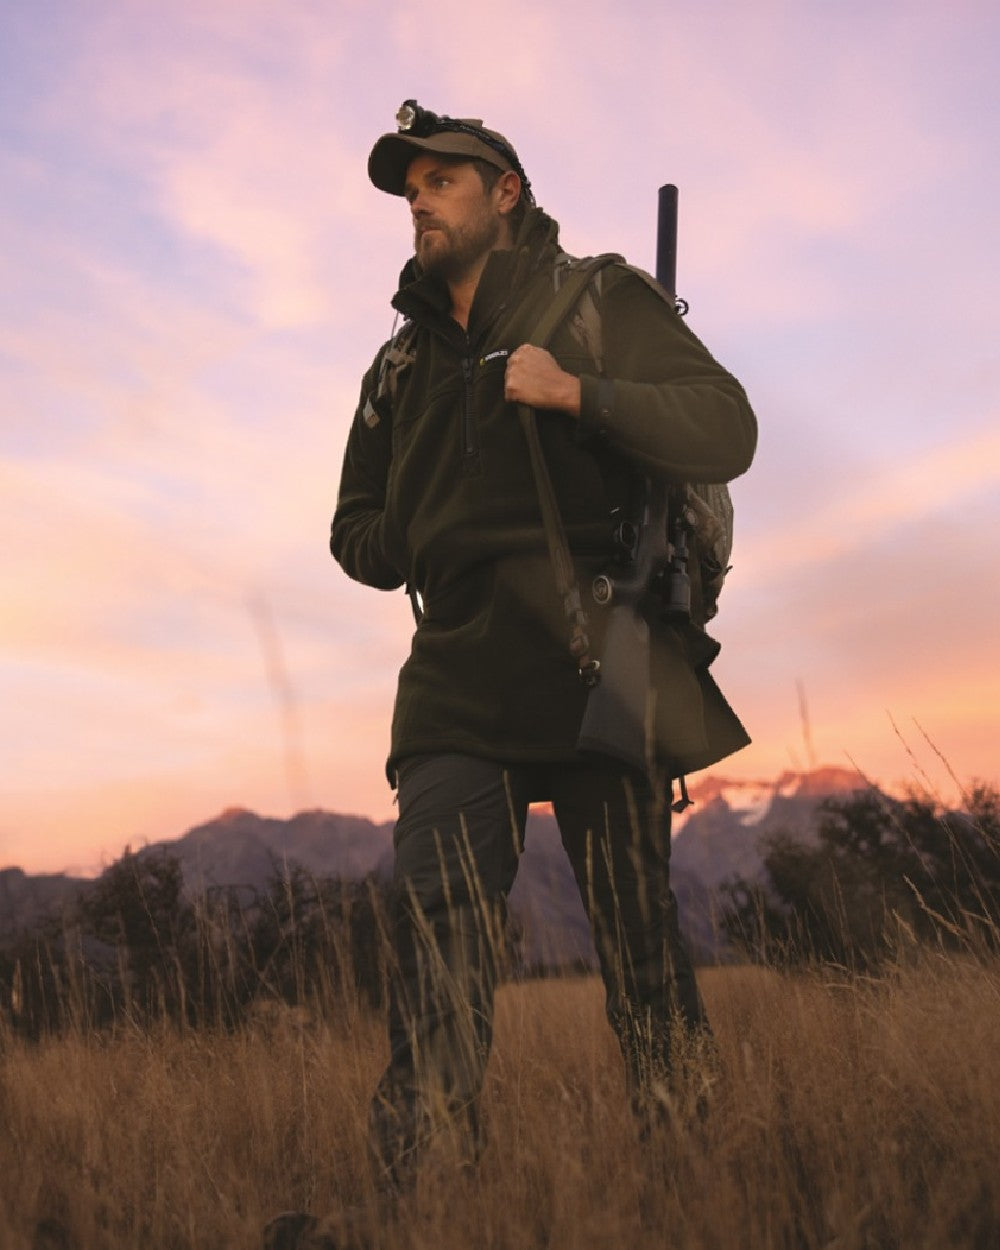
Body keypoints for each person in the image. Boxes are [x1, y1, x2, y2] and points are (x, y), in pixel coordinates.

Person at [265, 101, 756, 1249]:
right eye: (410, 186)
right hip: (454, 680)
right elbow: (350, 524)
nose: (420, 200)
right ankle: (423, 1208)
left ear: (507, 192)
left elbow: (723, 426)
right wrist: (423, 537)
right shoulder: (396, 361)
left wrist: (582, 392)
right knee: (437, 942)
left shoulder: (596, 300)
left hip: (604, 653)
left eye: (443, 179)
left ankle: (696, 1197)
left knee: (641, 953)